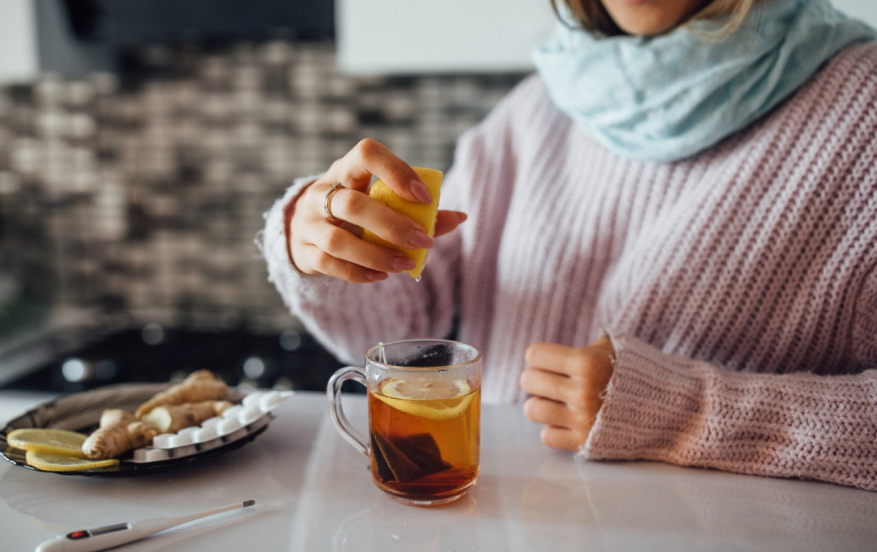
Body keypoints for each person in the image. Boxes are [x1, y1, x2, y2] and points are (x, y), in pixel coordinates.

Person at [257, 0, 877, 491]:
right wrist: (324, 245)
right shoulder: (534, 112)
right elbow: (401, 329)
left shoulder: (862, 108)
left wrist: (682, 414)